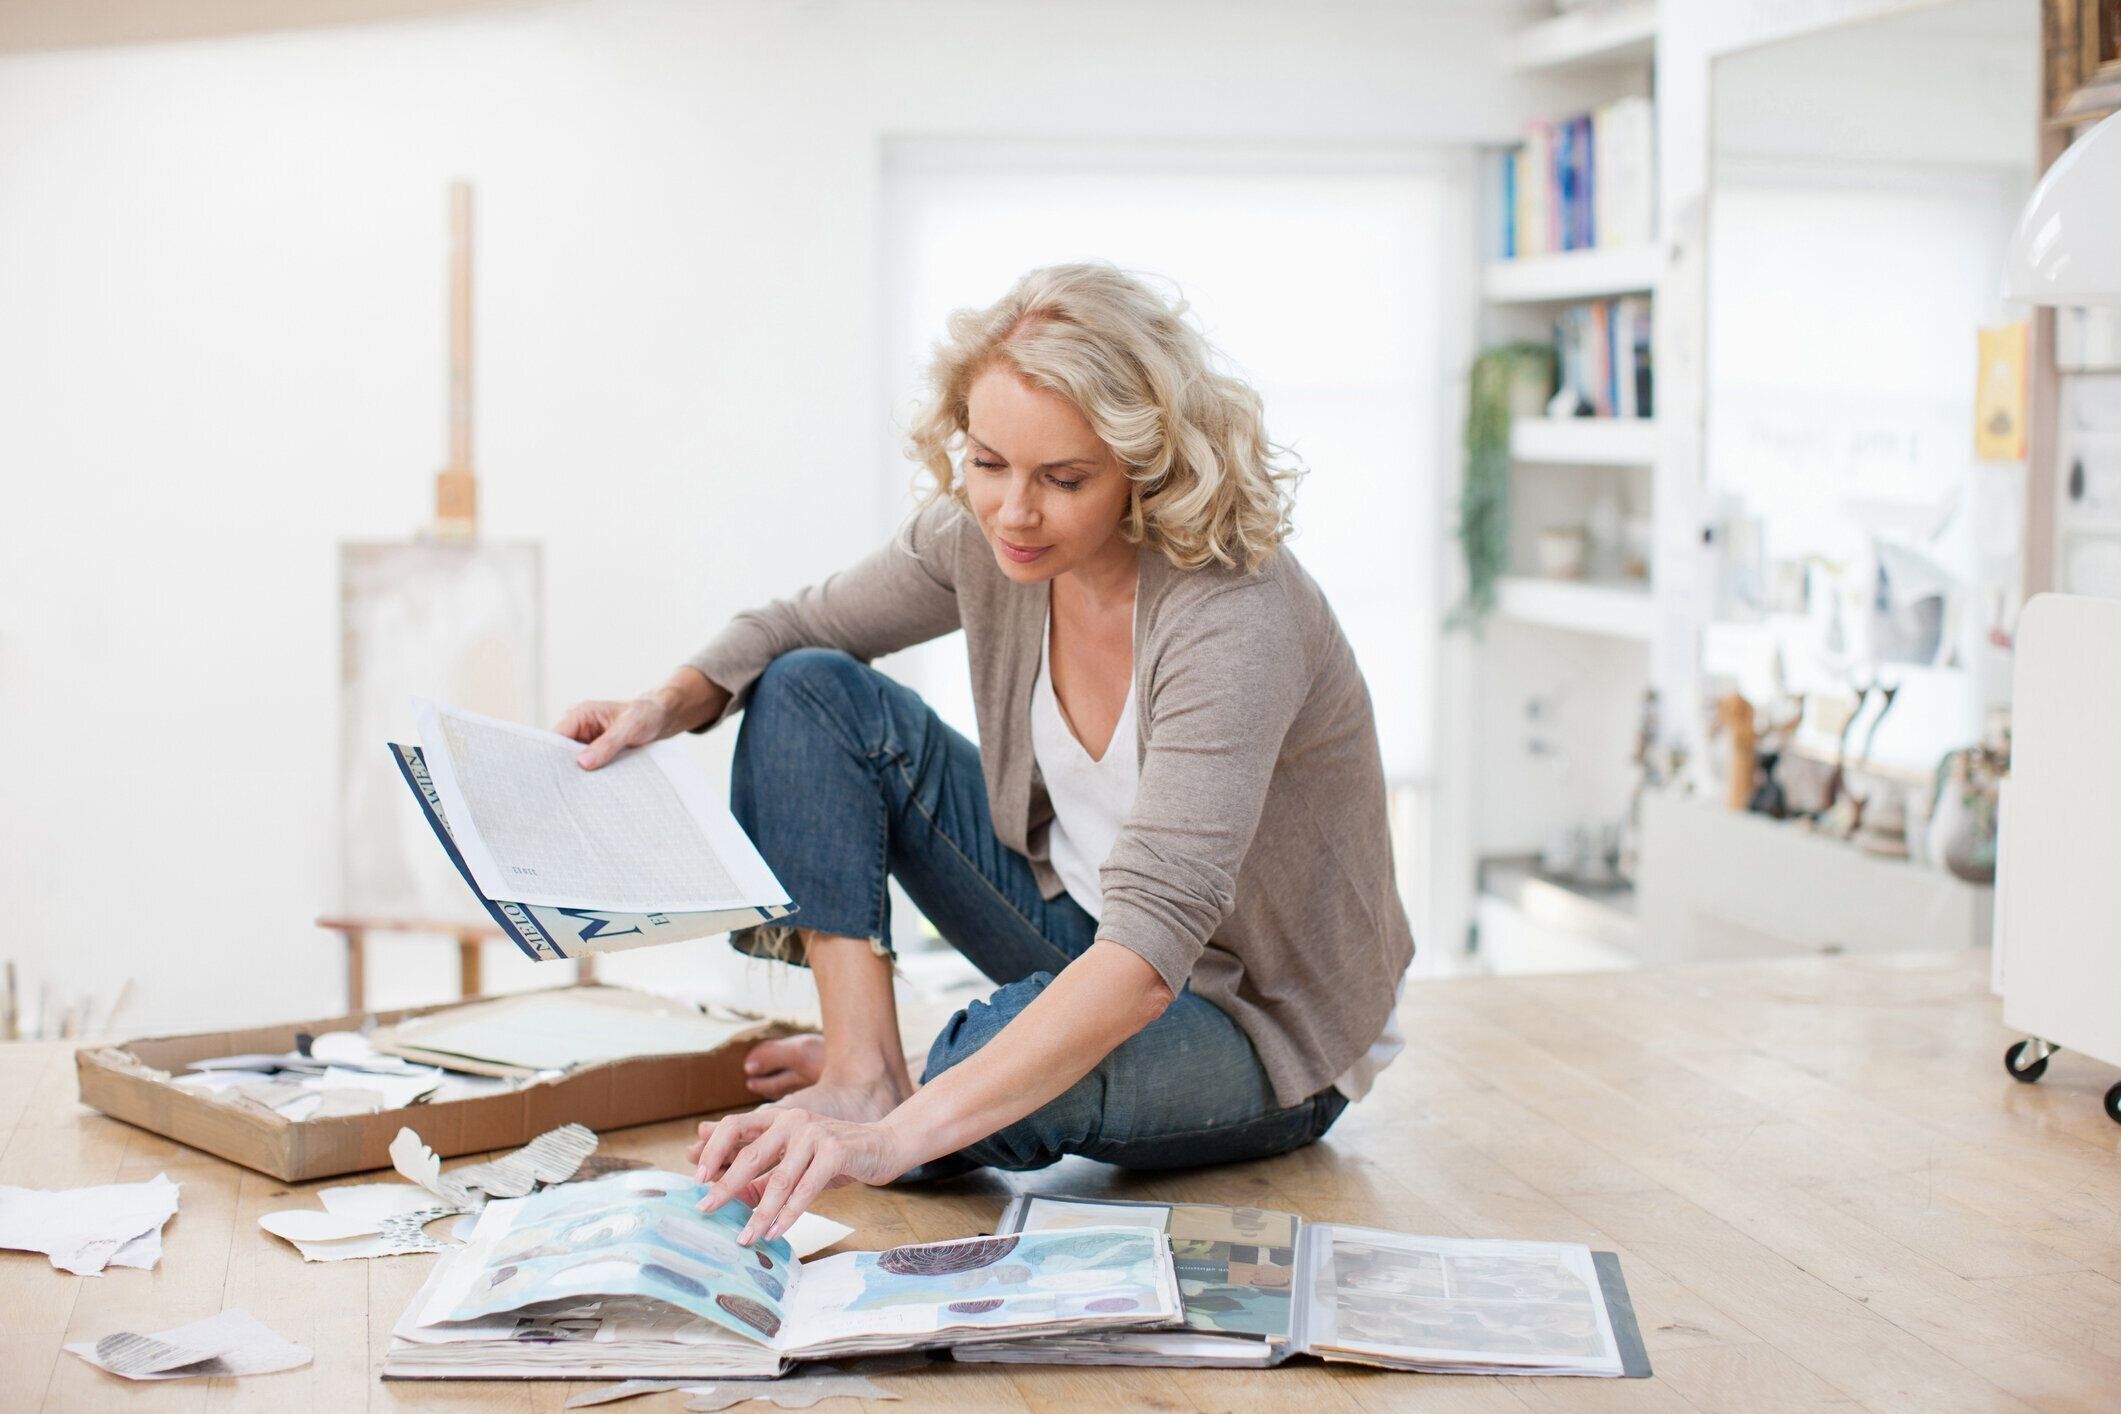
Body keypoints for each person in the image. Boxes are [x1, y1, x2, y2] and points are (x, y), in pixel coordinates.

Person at [556, 262, 1414, 1247]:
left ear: (1147, 461)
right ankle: (861, 1067)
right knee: (806, 689)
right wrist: (662, 706)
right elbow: (793, 626)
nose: (1013, 510)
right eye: (989, 460)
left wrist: (891, 1143)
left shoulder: (1234, 614)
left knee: (987, 1056)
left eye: (1064, 478)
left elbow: (1144, 961)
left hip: (1256, 1021)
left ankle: (905, 1099)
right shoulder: (988, 540)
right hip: (1085, 929)